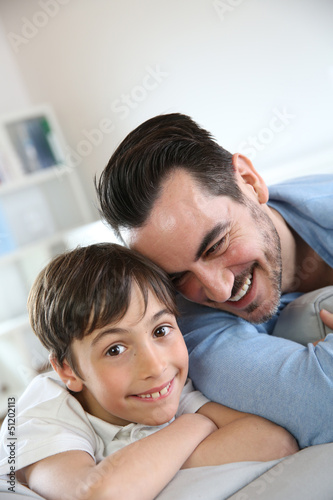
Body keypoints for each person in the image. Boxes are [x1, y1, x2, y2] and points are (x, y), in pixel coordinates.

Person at [96, 112, 333, 449]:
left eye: (216, 245)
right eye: (179, 276)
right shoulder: (184, 324)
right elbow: (320, 409)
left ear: (250, 182)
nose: (219, 290)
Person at [0, 243, 297, 500]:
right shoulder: (42, 411)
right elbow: (96, 495)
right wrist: (194, 426)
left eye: (160, 330)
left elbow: (273, 442)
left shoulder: (162, 388)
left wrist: (143, 472)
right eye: (115, 349)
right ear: (67, 370)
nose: (156, 366)